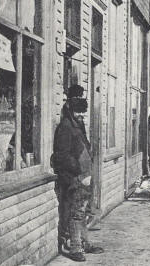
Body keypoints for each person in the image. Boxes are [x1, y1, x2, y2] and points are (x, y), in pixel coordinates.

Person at [51, 84, 104, 262]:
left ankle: (84, 243)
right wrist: (79, 170)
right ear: (72, 110)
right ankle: (75, 248)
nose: (82, 115)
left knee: (82, 213)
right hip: (75, 179)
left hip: (83, 178)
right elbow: (62, 155)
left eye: (83, 112)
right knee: (75, 213)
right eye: (79, 112)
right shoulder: (66, 127)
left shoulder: (77, 124)